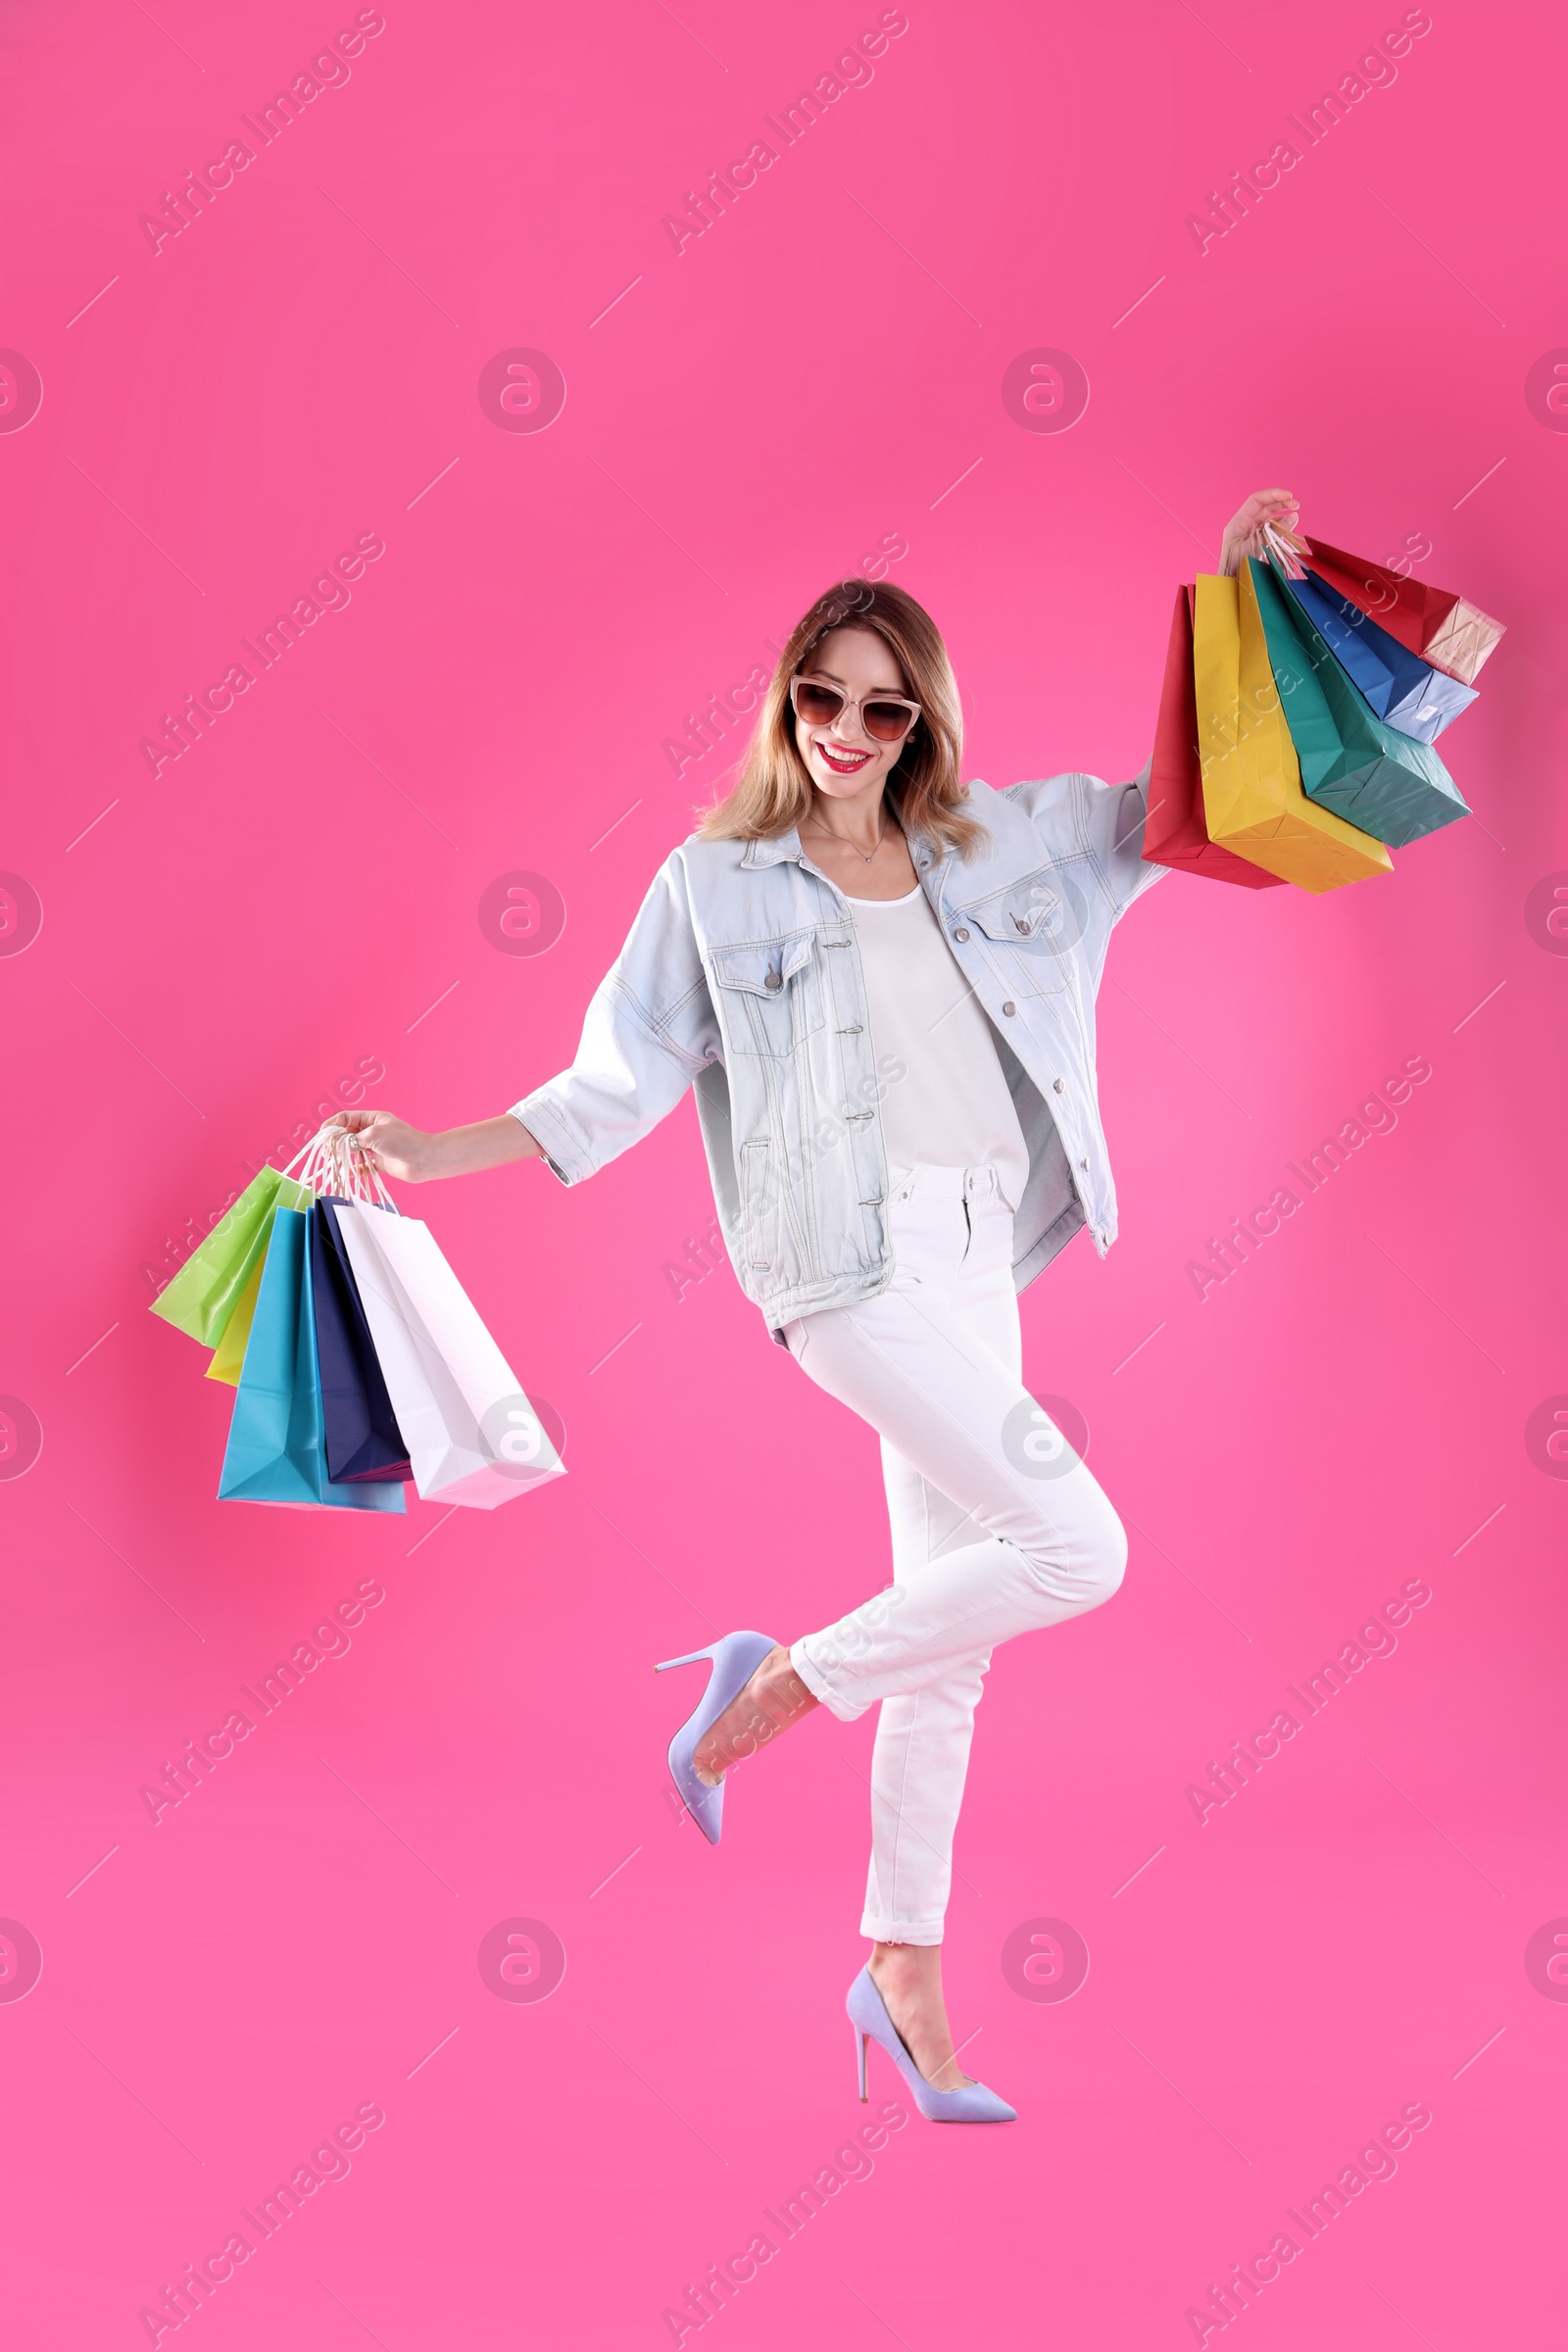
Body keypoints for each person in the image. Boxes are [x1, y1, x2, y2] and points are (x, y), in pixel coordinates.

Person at [328, 486, 1298, 2124]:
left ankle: (898, 1968)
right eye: (823, 696)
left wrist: (1243, 597)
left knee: (968, 1632)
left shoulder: (1004, 841)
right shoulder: (717, 887)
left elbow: (1183, 806)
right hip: (842, 1268)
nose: (849, 729)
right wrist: (430, 1142)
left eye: (883, 704)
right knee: (1081, 1550)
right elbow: (611, 1083)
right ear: (787, 698)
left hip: (979, 1253)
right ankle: (772, 1683)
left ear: (922, 718)